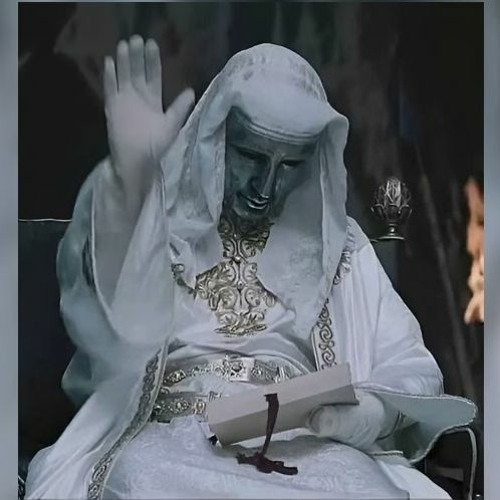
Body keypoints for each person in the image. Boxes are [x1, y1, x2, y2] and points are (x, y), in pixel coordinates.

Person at [25, 38, 476, 500]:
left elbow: (408, 363)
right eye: (251, 157)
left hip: (305, 445)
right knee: (140, 480)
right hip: (173, 438)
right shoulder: (159, 217)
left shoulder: (339, 247)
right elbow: (106, 324)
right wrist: (131, 186)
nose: (265, 186)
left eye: (290, 165)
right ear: (217, 139)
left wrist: (371, 413)